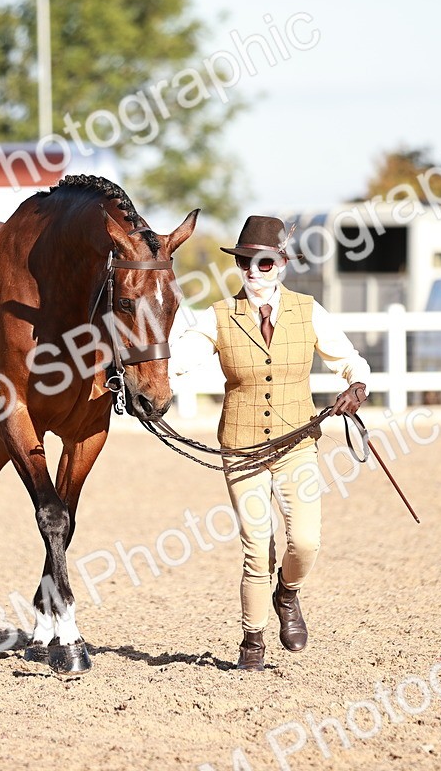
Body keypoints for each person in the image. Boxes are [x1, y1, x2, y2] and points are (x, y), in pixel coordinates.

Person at [169, 215, 370, 671]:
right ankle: (253, 640)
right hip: (242, 450)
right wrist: (140, 376)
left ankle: (288, 593)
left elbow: (349, 359)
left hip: (297, 445)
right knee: (257, 545)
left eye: (263, 263)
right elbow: (177, 361)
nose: (253, 272)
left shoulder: (309, 311)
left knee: (306, 541)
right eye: (244, 263)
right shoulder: (219, 316)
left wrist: (357, 386)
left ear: (281, 264)